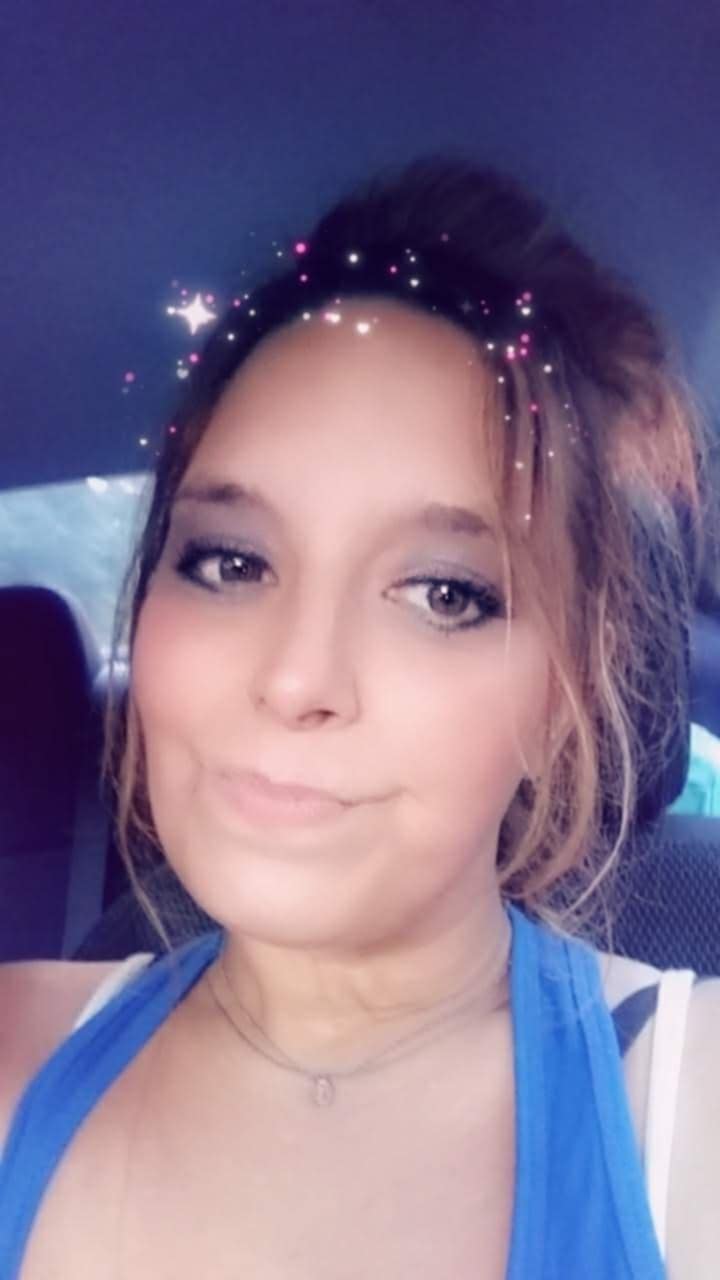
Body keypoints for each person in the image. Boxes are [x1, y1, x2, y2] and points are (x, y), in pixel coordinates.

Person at [1, 153, 719, 1278]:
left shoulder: (689, 1108)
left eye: (444, 593)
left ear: (564, 695)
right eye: (231, 562)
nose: (296, 678)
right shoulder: (14, 1052)